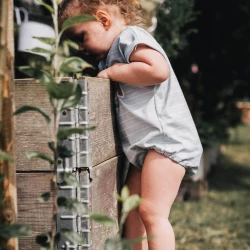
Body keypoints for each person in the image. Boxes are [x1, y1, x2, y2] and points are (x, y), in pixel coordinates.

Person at [59, 1, 203, 249]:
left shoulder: (129, 37)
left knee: (152, 212)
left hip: (166, 141)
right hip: (147, 148)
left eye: (81, 37)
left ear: (103, 20)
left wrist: (114, 72)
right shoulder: (112, 54)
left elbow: (157, 70)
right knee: (132, 211)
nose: (80, 48)